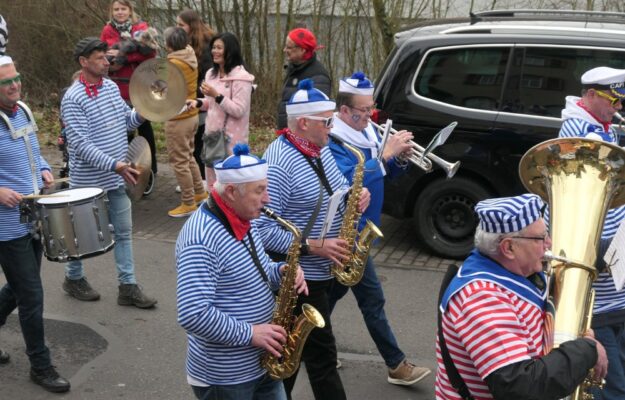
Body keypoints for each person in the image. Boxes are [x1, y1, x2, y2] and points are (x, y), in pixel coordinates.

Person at [258, 79, 370, 400]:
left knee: (291, 360)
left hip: (322, 272)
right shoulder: (279, 163)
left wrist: (355, 195)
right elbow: (265, 231)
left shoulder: (318, 150)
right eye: (326, 122)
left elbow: (336, 187)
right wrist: (312, 246)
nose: (332, 128)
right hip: (298, 276)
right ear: (303, 123)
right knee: (322, 358)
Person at [435, 193, 608, 400]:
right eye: (541, 237)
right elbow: (520, 387)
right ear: (508, 247)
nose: (549, 243)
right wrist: (586, 350)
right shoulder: (482, 298)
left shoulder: (517, 271)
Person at [176, 143, 308, 400]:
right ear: (232, 191)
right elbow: (192, 313)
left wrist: (280, 270)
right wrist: (250, 334)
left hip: (261, 363)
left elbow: (255, 269)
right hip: (225, 377)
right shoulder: (201, 239)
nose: (268, 198)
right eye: (260, 190)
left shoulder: (246, 219)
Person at [327, 71, 431, 385]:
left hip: (364, 229)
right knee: (371, 300)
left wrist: (399, 160)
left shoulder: (367, 132)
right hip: (346, 233)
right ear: (344, 111)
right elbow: (349, 180)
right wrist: (385, 156)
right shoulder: (334, 140)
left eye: (371, 109)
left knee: (328, 299)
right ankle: (396, 365)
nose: (369, 116)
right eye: (362, 111)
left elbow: (383, 177)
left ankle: (313, 344)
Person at [60, 37, 157, 309]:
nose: (107, 62)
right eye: (101, 58)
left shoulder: (112, 88)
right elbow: (80, 145)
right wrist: (115, 164)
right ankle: (73, 278)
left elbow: (127, 121)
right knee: (81, 235)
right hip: (88, 181)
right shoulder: (73, 98)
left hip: (116, 177)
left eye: (107, 57)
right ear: (83, 62)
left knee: (124, 232)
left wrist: (145, 110)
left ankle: (127, 286)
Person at [0, 55, 71, 393]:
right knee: (31, 295)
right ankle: (40, 365)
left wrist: (43, 168)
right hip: (5, 227)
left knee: (18, 288)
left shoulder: (24, 111)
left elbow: (33, 152)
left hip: (32, 218)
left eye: (16, 78)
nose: (14, 85)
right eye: (6, 82)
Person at [559, 66, 625, 400]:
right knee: (612, 386)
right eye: (613, 99)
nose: (619, 107)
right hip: (600, 280)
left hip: (616, 277)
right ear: (590, 96)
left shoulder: (603, 128)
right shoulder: (581, 137)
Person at [100, 0, 158, 184]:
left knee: (144, 128)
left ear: (130, 10)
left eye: (123, 9)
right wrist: (110, 57)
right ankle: (129, 172)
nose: (119, 12)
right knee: (124, 131)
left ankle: (150, 173)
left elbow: (151, 52)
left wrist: (124, 56)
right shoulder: (107, 30)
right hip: (117, 87)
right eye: (116, 9)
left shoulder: (141, 28)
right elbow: (102, 52)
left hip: (140, 85)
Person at [187, 32, 254, 190]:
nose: (214, 51)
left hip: (232, 141)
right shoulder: (211, 74)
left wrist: (216, 95)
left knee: (230, 185)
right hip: (212, 137)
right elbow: (211, 103)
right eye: (213, 47)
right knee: (212, 184)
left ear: (230, 51)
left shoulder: (242, 78)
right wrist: (197, 102)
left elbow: (238, 110)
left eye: (219, 48)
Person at [163, 26, 208, 218]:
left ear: (169, 44)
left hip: (178, 117)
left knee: (179, 161)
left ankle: (188, 202)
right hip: (192, 115)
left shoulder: (173, 63)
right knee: (189, 157)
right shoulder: (189, 55)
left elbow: (163, 89)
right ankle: (200, 192)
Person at [176, 9, 215, 187]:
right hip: (190, 98)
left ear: (191, 26)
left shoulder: (206, 46)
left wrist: (194, 92)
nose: (177, 28)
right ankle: (197, 180)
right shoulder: (184, 44)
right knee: (193, 142)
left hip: (202, 100)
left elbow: (207, 76)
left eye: (181, 25)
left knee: (200, 142)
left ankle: (203, 181)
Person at [276, 27, 331, 130]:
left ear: (302, 50)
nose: (284, 50)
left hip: (301, 138)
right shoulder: (293, 69)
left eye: (289, 47)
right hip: (288, 134)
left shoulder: (318, 77)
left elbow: (316, 116)